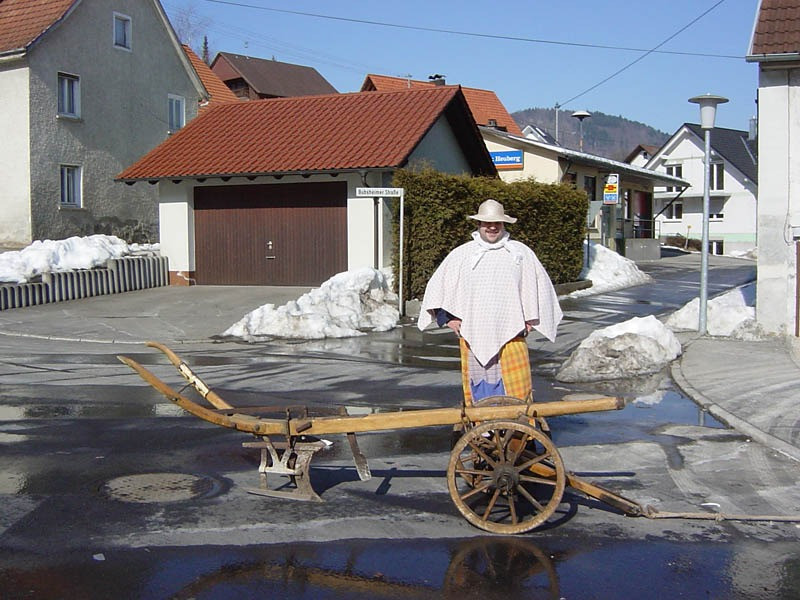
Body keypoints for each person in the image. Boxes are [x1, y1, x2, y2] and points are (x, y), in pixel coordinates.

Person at [417, 199, 563, 405]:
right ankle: (484, 428)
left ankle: (515, 428)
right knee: (479, 383)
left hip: (512, 333)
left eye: (497, 223)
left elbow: (537, 286)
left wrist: (531, 318)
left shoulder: (520, 253)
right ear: (478, 225)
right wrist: (448, 318)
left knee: (515, 385)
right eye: (487, 223)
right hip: (473, 332)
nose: (492, 227)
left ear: (504, 224)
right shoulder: (462, 254)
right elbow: (439, 288)